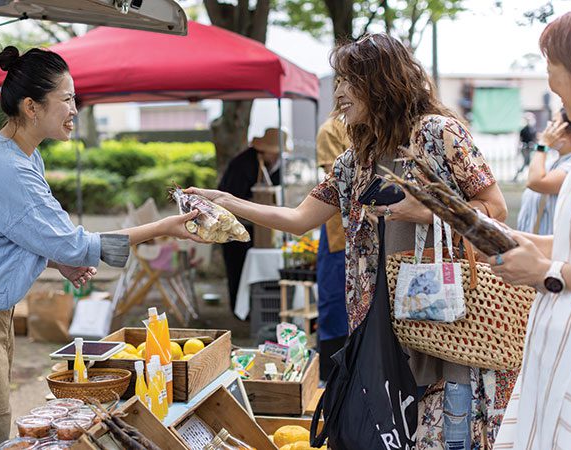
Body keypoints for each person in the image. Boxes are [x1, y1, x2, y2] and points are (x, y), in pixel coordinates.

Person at [187, 33, 510, 449]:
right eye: (338, 80)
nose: (338, 91)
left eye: (348, 80)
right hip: (378, 324)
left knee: (443, 431)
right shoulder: (355, 159)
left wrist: (425, 211)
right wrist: (228, 200)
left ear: (381, 82)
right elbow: (299, 218)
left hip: (443, 320)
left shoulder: (438, 134)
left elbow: (494, 209)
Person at [0, 46, 201, 450]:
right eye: (66, 98)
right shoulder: (8, 168)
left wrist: (55, 258)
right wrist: (164, 227)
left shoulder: (22, 156)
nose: (74, 109)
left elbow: (20, 233)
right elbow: (72, 241)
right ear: (31, 106)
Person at [491, 8, 571, 448]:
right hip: (557, 344)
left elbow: (562, 261)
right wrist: (515, 241)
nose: (549, 82)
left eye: (553, 66)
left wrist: (547, 271)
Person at [217, 128, 283, 313]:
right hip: (234, 228)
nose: (277, 157)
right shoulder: (242, 164)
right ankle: (239, 312)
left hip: (259, 228)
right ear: (264, 150)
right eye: (275, 153)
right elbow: (230, 199)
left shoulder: (273, 165)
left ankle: (254, 310)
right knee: (237, 269)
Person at [314, 114, 350, 382]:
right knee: (335, 301)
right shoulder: (330, 130)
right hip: (339, 230)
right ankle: (332, 377)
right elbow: (337, 182)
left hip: (374, 230)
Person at [516, 109, 571, 234]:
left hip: (548, 250)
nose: (548, 130)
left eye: (554, 124)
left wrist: (543, 144)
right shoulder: (553, 162)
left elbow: (535, 182)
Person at [513, 113, 538, 181]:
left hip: (531, 148)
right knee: (526, 162)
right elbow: (520, 140)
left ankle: (533, 176)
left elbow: (534, 139)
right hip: (525, 148)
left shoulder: (532, 129)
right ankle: (516, 176)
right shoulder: (523, 130)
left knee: (529, 162)